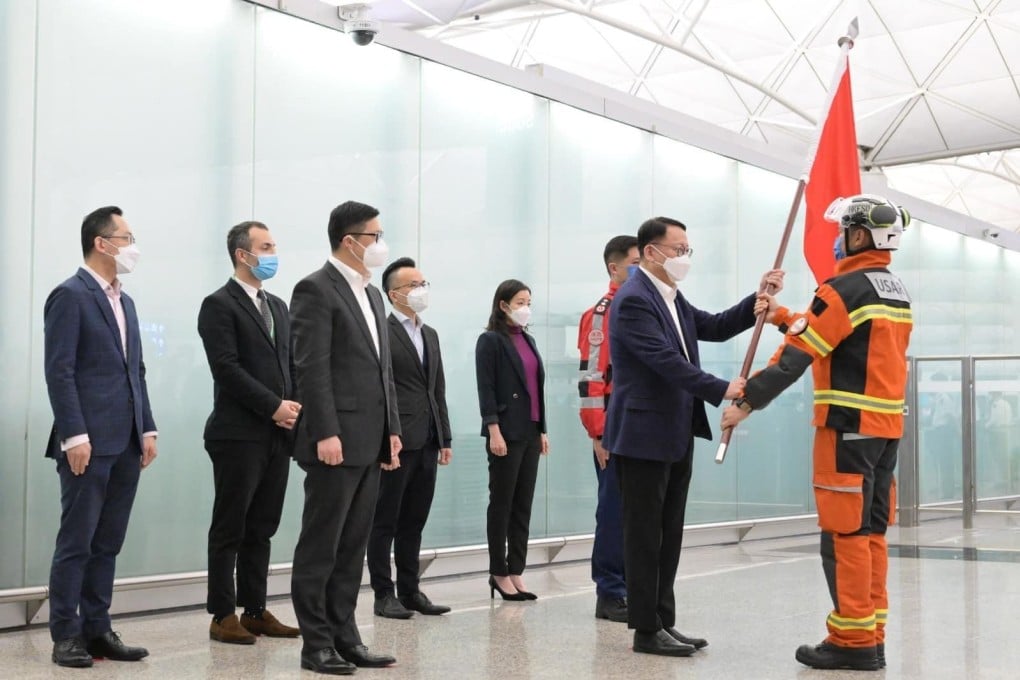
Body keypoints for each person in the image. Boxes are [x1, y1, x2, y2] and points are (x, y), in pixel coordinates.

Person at [721, 194, 913, 671]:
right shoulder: (893, 288)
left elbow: (800, 354)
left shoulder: (843, 287)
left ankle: (851, 642)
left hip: (845, 428)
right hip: (884, 431)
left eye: (843, 230)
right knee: (870, 533)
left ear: (859, 236)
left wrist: (747, 401)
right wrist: (783, 315)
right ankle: (872, 634)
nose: (836, 239)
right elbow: (830, 335)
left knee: (843, 536)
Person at [602, 216, 782, 657]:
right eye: (677, 249)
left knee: (669, 532)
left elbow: (714, 325)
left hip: (675, 430)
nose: (684, 257)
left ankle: (663, 620)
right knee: (645, 536)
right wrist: (721, 388)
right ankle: (646, 630)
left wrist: (756, 300)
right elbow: (663, 360)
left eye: (687, 250)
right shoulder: (633, 300)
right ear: (650, 252)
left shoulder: (670, 297)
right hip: (642, 434)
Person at [289, 201, 402, 675]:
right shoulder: (315, 289)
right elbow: (311, 368)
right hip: (335, 440)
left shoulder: (373, 295)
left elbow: (384, 370)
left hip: (371, 437)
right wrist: (324, 431)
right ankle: (315, 643)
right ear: (350, 240)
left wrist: (392, 429)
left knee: (353, 545)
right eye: (375, 235)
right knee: (322, 545)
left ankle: (345, 636)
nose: (381, 243)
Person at [43, 206, 157, 668]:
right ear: (101, 243)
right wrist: (74, 435)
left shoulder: (124, 301)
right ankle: (65, 634)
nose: (133, 246)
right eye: (127, 237)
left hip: (126, 441)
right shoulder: (70, 295)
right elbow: (60, 372)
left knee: (108, 542)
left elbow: (136, 372)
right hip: (87, 442)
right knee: (78, 541)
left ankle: (97, 628)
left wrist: (147, 427)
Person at [197, 221, 302, 644]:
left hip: (278, 434)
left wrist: (293, 408)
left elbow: (290, 364)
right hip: (238, 433)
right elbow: (226, 368)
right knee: (231, 526)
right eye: (267, 246)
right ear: (243, 254)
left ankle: (255, 609)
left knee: (263, 526)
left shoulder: (277, 305)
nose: (274, 252)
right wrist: (273, 406)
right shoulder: (218, 304)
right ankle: (222, 614)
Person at [368, 257, 453, 619]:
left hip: (428, 439)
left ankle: (410, 589)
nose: (422, 290)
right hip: (397, 441)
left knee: (414, 520)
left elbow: (437, 389)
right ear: (394, 294)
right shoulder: (382, 332)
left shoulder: (429, 333)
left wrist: (444, 437)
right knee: (385, 519)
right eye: (413, 285)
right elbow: (379, 388)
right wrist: (388, 434)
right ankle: (383, 593)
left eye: (424, 283)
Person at [577, 235, 639, 623]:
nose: (640, 269)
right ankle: (611, 591)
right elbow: (591, 378)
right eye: (633, 262)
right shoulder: (603, 312)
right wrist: (599, 433)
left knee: (638, 511)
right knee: (615, 510)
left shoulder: (646, 306)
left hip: (640, 418)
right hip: (613, 419)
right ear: (614, 268)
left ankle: (633, 586)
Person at [475, 279, 550, 601]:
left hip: (531, 431)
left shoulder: (529, 340)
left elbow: (536, 389)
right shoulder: (490, 340)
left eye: (528, 301)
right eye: (520, 301)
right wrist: (493, 429)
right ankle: (498, 572)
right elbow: (486, 389)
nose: (526, 307)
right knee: (501, 504)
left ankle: (516, 569)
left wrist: (543, 430)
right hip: (505, 430)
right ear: (503, 305)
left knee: (523, 505)